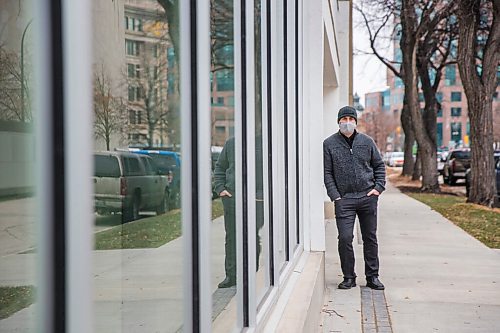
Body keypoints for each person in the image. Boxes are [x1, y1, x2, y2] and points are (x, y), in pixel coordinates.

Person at [323, 106, 386, 290]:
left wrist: (378, 188)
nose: (348, 122)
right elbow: (327, 173)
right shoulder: (329, 144)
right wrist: (335, 196)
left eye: (351, 118)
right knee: (344, 238)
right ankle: (348, 277)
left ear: (356, 122)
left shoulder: (367, 142)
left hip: (368, 197)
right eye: (344, 119)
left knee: (370, 238)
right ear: (339, 122)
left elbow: (379, 166)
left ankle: (372, 276)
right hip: (345, 200)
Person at [213, 137, 264, 288]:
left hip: (257, 200)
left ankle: (250, 274)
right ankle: (231, 276)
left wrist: (262, 194)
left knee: (251, 236)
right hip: (232, 198)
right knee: (232, 238)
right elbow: (220, 167)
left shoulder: (264, 142)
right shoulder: (231, 143)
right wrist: (221, 189)